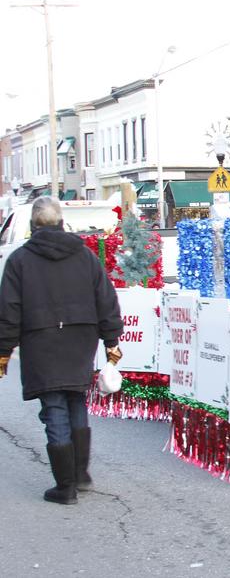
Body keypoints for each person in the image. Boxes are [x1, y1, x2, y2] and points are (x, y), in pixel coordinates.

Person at [0, 197, 124, 505]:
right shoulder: (84, 256)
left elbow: (9, 310)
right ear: (61, 222)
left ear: (33, 225)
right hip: (80, 338)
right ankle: (80, 475)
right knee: (75, 399)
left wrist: (4, 352)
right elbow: (105, 299)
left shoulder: (19, 261)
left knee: (54, 406)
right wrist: (111, 341)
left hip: (41, 340)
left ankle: (65, 486)